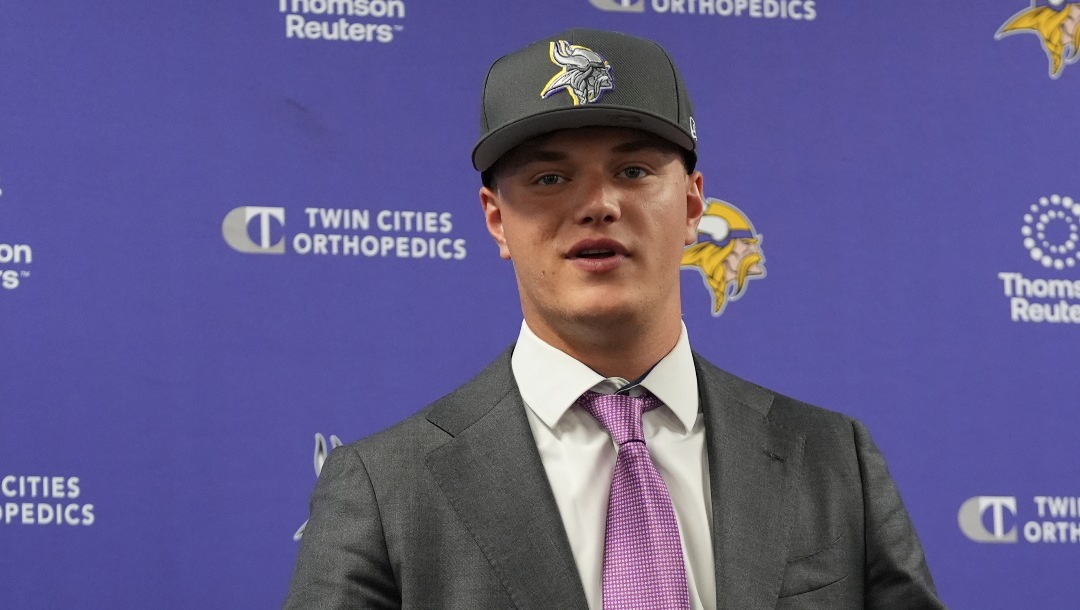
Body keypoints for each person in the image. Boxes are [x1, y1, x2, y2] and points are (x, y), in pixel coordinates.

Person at [285, 28, 946, 609]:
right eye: (549, 179)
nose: (598, 204)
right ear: (496, 219)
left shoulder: (834, 461)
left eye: (632, 170)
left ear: (692, 207)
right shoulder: (383, 488)